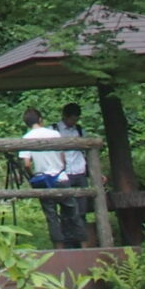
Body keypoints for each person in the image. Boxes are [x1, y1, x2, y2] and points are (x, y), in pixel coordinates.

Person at [18, 106, 81, 249]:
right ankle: (82, 244)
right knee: (72, 212)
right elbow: (62, 155)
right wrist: (62, 167)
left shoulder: (26, 138)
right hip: (61, 177)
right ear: (41, 120)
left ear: (26, 123)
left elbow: (27, 164)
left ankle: (59, 248)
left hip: (43, 180)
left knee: (51, 216)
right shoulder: (54, 134)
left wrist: (32, 176)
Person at [53, 103, 92, 247]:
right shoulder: (54, 130)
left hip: (79, 171)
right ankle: (68, 241)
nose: (73, 122)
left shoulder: (80, 131)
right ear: (65, 116)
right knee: (66, 209)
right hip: (64, 173)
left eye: (76, 119)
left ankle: (80, 240)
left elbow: (88, 152)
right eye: (71, 119)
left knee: (82, 209)